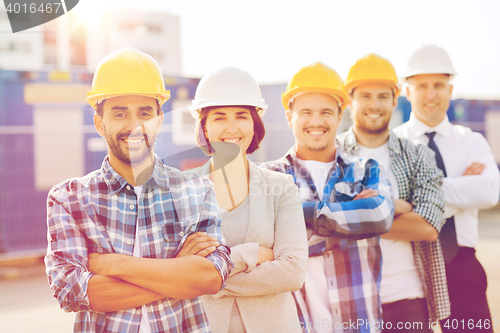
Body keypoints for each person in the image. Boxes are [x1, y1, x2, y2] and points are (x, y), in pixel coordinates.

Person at [44, 47, 233, 333]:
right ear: (99, 122)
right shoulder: (69, 199)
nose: (134, 126)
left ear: (159, 120)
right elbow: (72, 292)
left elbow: (211, 276)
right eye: (120, 114)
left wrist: (114, 264)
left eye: (144, 113)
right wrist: (178, 271)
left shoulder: (196, 190)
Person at [262, 62, 394, 333]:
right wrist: (349, 220)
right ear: (289, 116)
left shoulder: (366, 169)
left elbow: (379, 216)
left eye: (325, 112)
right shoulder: (267, 178)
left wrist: (294, 223)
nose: (317, 121)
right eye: (306, 112)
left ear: (339, 115)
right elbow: (264, 252)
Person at [184, 66, 308, 333]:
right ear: (204, 127)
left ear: (255, 124)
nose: (231, 128)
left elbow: (293, 271)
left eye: (241, 116)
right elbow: (173, 271)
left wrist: (208, 278)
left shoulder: (281, 187)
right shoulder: (180, 190)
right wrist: (252, 254)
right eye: (219, 117)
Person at [337, 53, 449, 332]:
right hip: (347, 299)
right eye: (365, 96)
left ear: (394, 100)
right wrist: (395, 207)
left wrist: (355, 215)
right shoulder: (332, 155)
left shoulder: (417, 155)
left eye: (382, 96)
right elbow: (321, 219)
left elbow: (428, 226)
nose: (374, 105)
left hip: (407, 299)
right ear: (350, 101)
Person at [395, 44, 500, 332]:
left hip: (463, 267)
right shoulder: (392, 144)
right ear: (407, 91)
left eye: (439, 85)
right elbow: (388, 202)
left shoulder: (471, 141)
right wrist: (462, 186)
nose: (431, 94)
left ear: (450, 90)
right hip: (407, 265)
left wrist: (418, 198)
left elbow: (490, 191)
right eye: (422, 85)